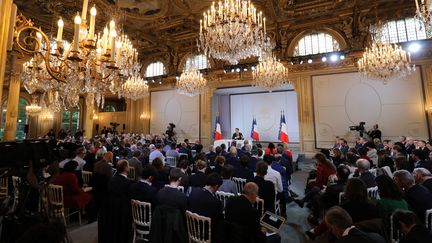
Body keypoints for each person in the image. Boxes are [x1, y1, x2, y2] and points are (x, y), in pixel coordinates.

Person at [98, 160, 133, 243]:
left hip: (110, 210)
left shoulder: (111, 180)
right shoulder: (128, 183)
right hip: (123, 211)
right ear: (125, 168)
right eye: (128, 166)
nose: (129, 167)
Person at [187, 173, 224, 239]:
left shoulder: (193, 192)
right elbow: (218, 222)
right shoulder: (216, 202)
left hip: (191, 231)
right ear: (216, 186)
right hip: (206, 235)